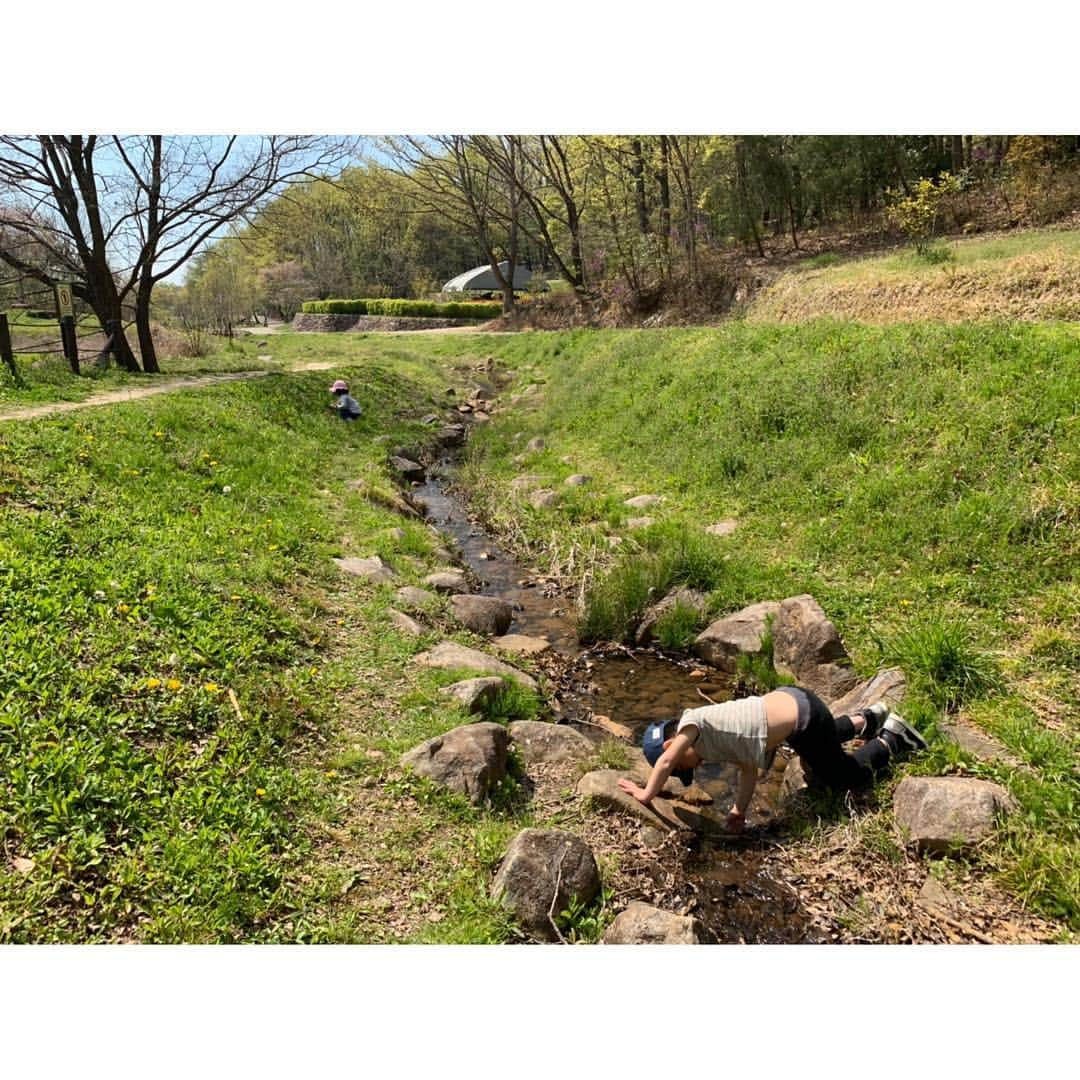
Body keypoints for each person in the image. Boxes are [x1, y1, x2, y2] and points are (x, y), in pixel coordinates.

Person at [616, 686, 927, 834]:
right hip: (794, 700)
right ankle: (865, 720)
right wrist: (738, 811)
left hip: (805, 722)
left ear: (671, 743)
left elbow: (667, 760)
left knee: (843, 777)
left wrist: (646, 794)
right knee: (818, 741)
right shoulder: (713, 737)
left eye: (685, 767)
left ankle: (893, 738)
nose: (693, 768)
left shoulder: (691, 725)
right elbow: (748, 770)